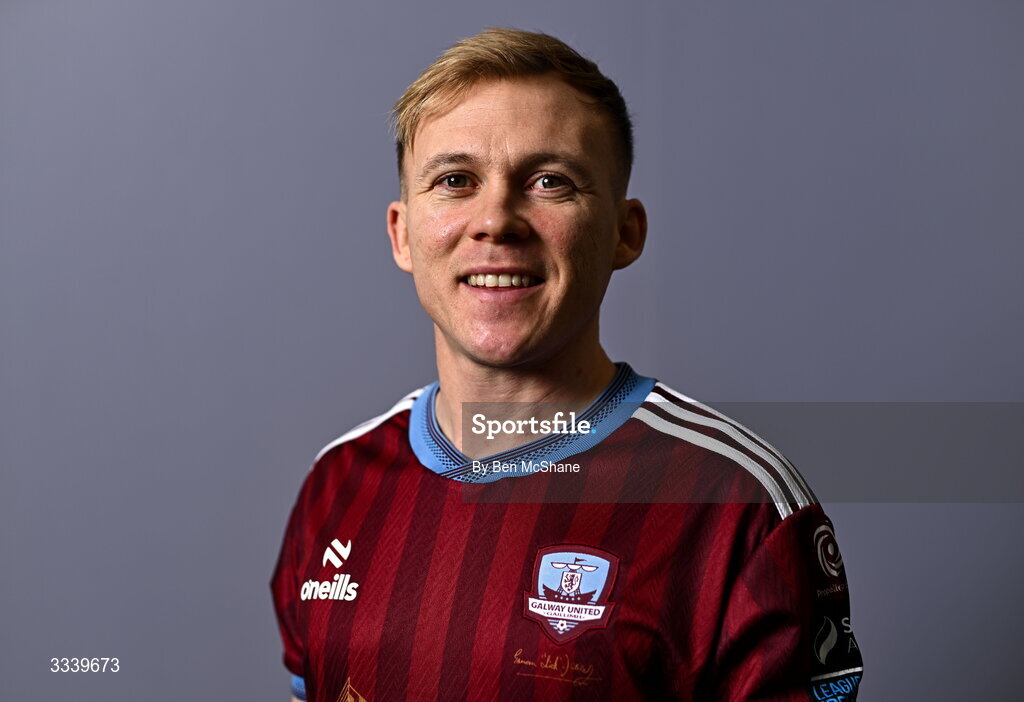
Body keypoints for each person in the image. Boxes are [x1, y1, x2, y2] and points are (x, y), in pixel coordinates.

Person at [271, 27, 863, 702]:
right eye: (455, 180)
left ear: (624, 231)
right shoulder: (336, 485)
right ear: (403, 234)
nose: (496, 220)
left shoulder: (738, 505)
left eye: (549, 182)